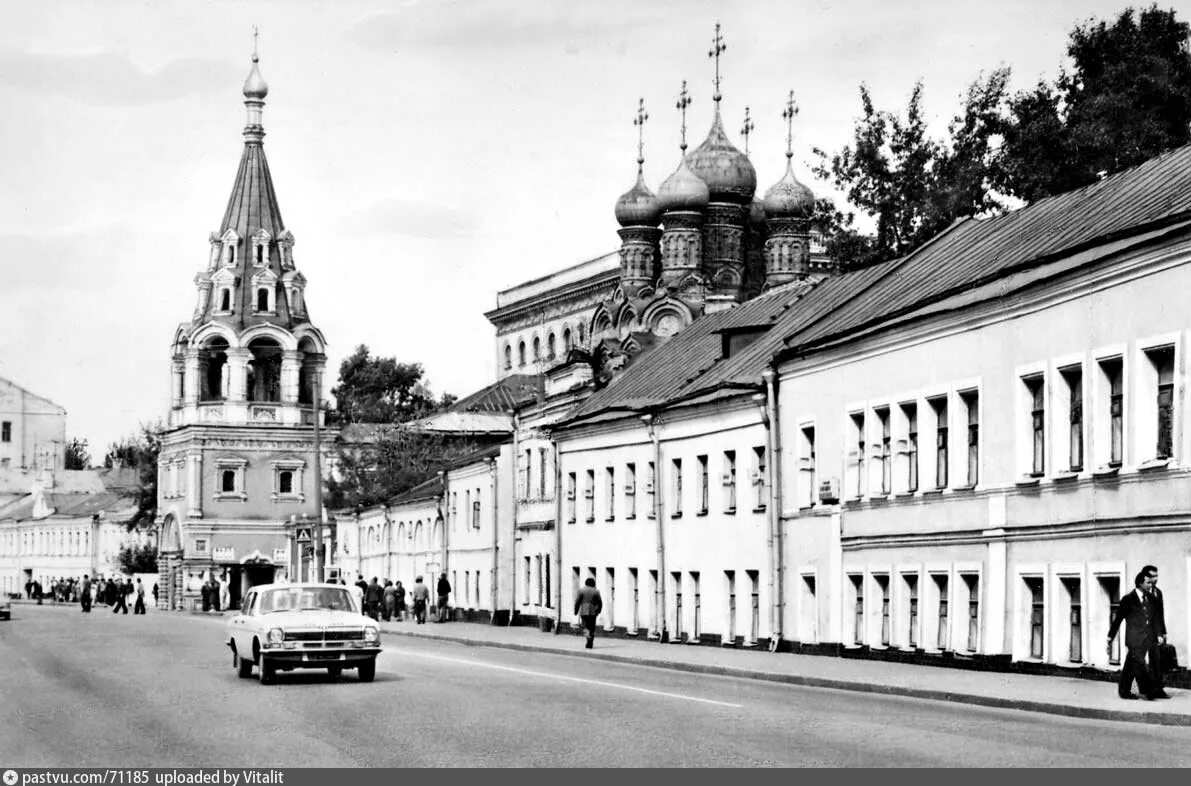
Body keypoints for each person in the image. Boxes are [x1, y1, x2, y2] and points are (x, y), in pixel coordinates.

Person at [1108, 568, 1169, 700]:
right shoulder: (1128, 599)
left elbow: (1156, 618)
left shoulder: (1151, 598)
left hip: (1148, 638)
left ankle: (1124, 691)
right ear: (1140, 584)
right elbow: (1118, 619)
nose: (1151, 584)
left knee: (1131, 665)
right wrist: (1110, 637)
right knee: (1139, 664)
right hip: (1134, 639)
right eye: (1148, 582)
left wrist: (1159, 634)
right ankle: (1148, 691)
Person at [574, 577, 604, 650]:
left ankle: (588, 638)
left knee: (584, 627)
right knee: (592, 627)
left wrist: (576, 611)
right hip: (593, 611)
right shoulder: (596, 591)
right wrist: (598, 611)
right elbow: (600, 602)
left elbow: (577, 602)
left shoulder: (581, 591)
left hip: (583, 611)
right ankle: (591, 639)